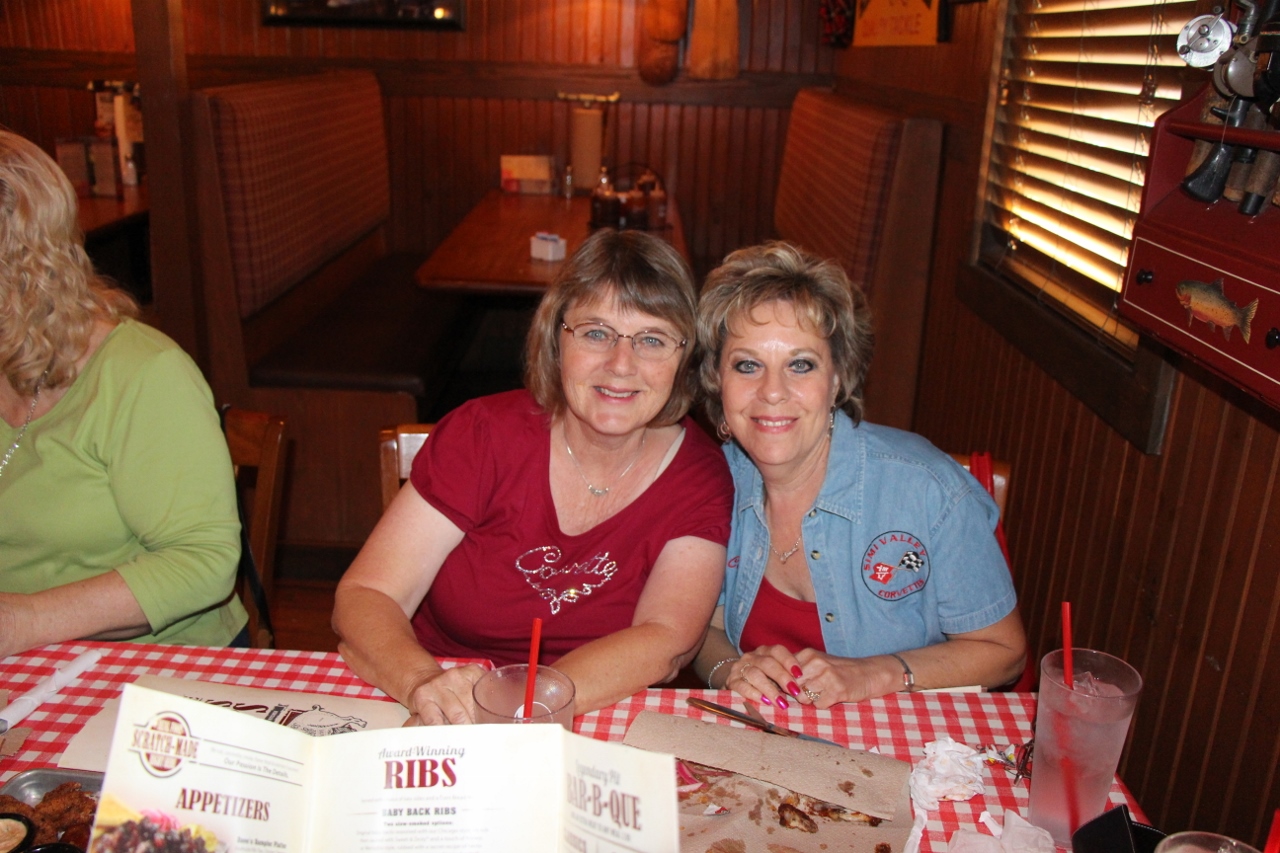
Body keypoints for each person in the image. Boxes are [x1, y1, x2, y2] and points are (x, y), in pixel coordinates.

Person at [333, 228, 733, 724]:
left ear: (684, 358)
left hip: (588, 706)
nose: (620, 364)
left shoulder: (699, 474)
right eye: (595, 332)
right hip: (442, 695)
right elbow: (367, 595)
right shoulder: (482, 435)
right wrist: (422, 682)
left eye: (652, 339)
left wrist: (528, 704)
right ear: (555, 338)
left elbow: (667, 638)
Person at [692, 242, 1026, 707]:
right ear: (717, 380)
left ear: (837, 379)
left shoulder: (928, 489)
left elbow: (1004, 653)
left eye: (801, 365)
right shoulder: (708, 484)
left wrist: (877, 674)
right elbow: (700, 631)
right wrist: (732, 669)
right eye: (747, 365)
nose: (772, 392)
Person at [0, 130, 247, 656]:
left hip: (149, 670)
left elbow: (203, 563)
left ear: (19, 269)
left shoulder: (144, 374)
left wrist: (20, 622)